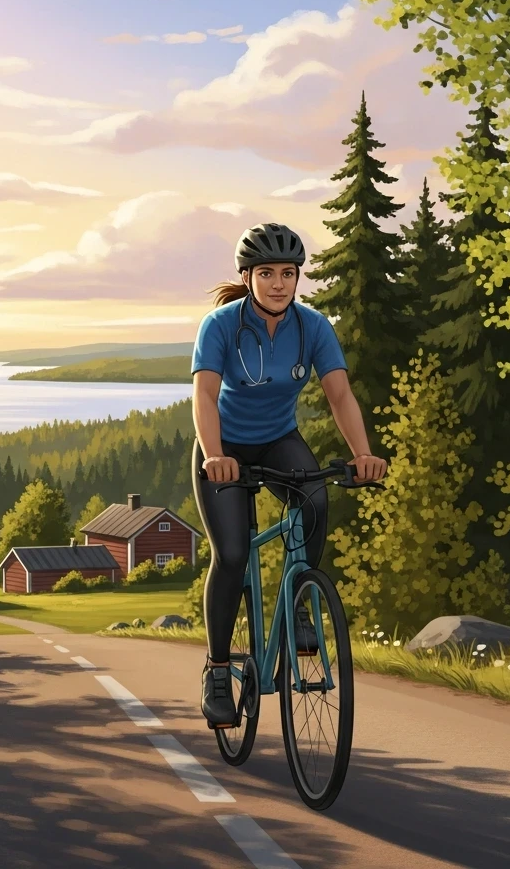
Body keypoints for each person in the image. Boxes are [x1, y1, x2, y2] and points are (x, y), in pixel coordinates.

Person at [190, 221, 388, 729]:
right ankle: (217, 671)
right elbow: (206, 396)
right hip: (224, 446)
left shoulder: (313, 327)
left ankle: (300, 600)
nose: (278, 283)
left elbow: (340, 395)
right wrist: (215, 455)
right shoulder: (220, 327)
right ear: (247, 276)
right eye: (266, 273)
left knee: (316, 500)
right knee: (232, 553)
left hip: (279, 440)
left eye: (287, 273)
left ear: (298, 278)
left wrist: (363, 454)